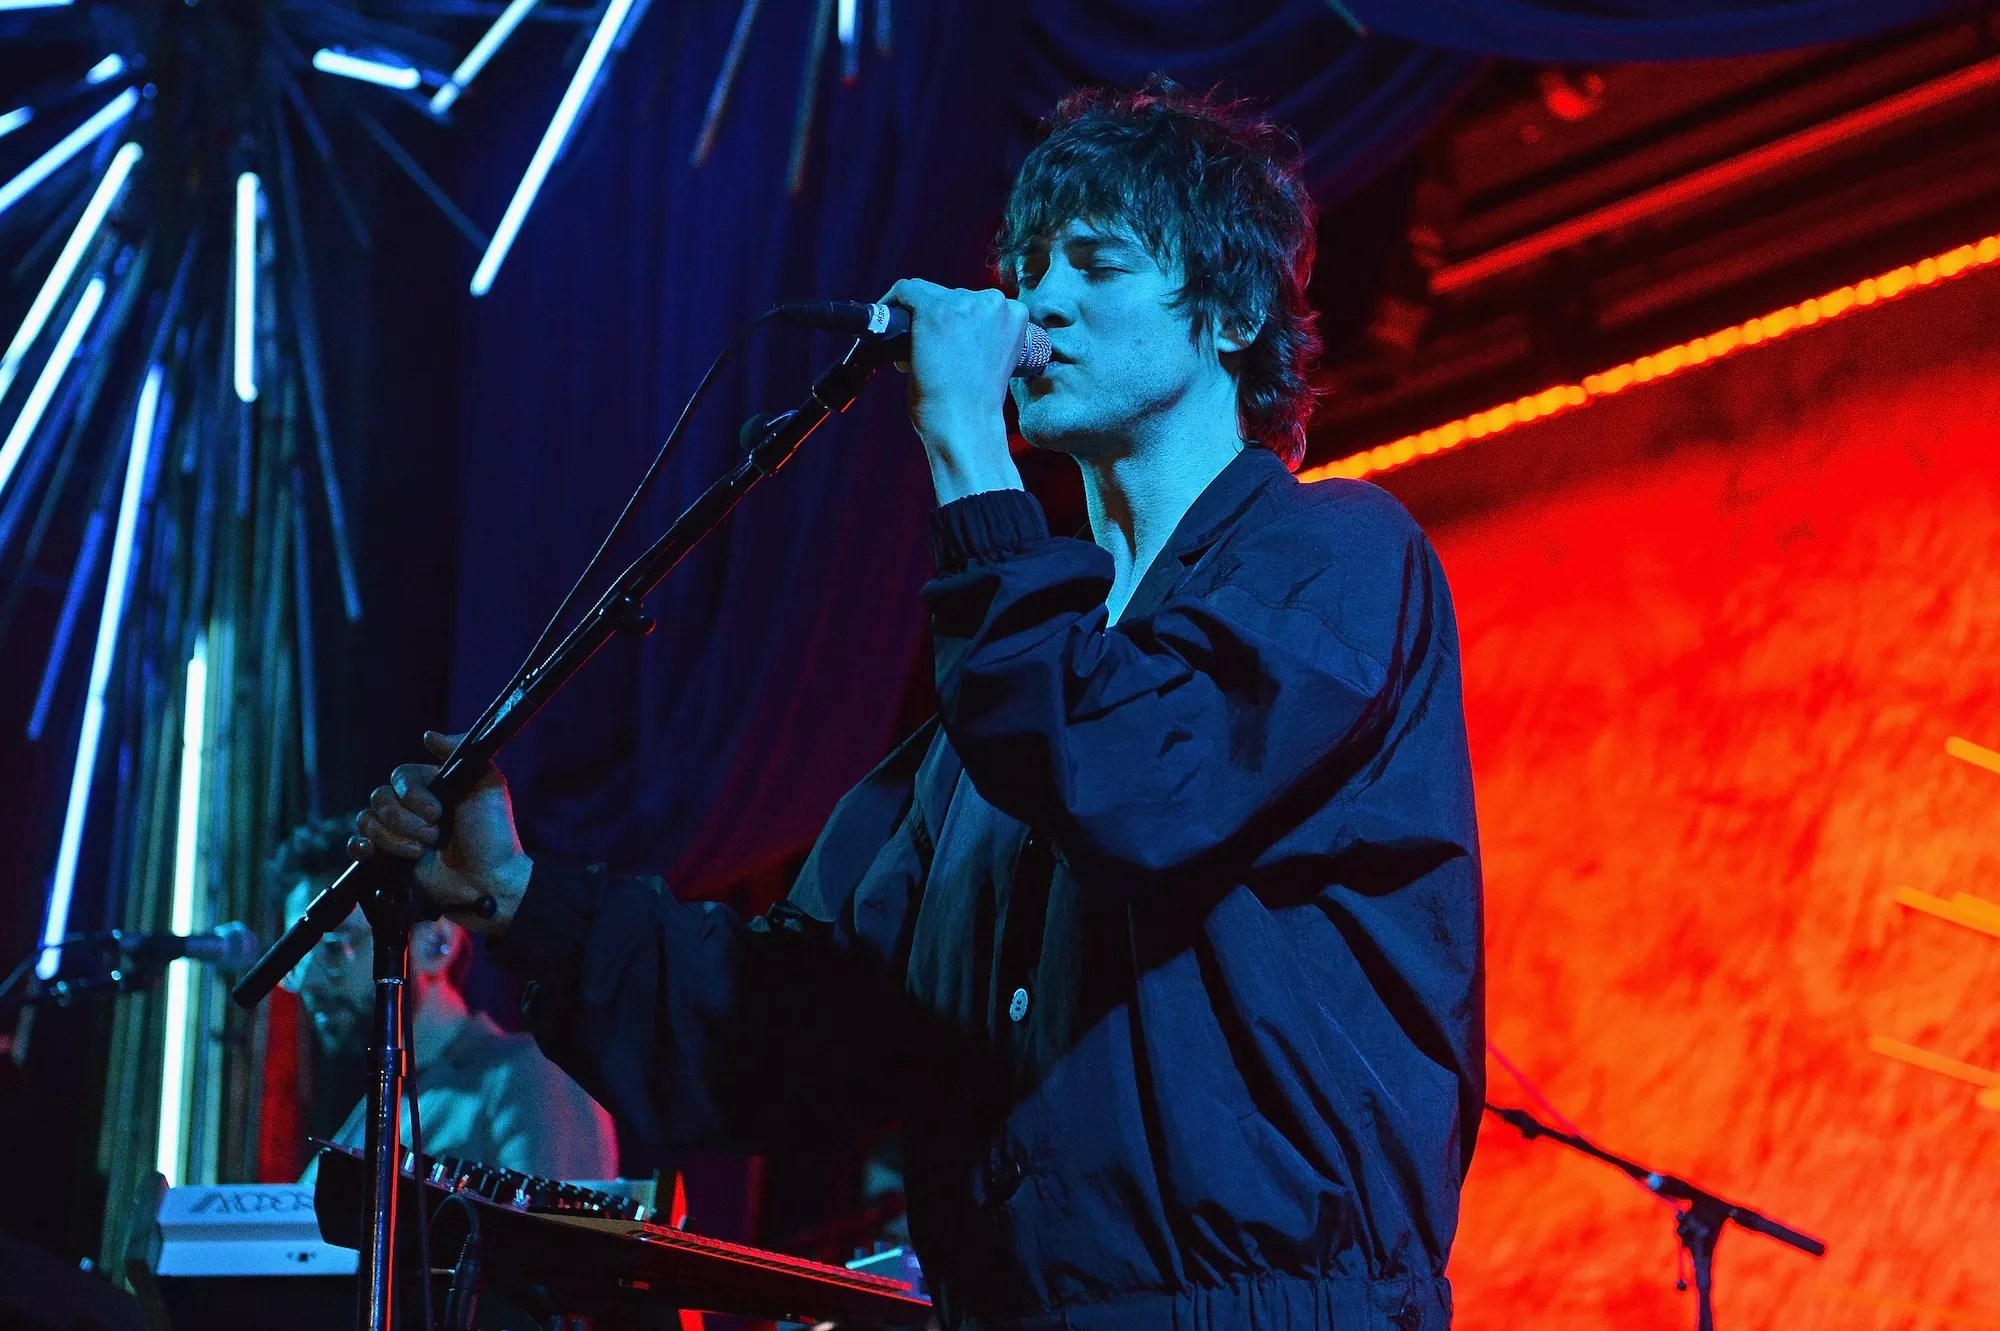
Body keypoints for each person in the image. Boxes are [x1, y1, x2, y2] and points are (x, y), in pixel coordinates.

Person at [356, 81, 1483, 1329]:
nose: (1037, 301)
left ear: (1228, 312)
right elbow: (795, 1025)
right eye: (1027, 266)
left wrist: (964, 444)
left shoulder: (1335, 557)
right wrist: (518, 895)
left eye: (1097, 263)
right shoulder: (991, 719)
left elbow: (1131, 781)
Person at [270, 818, 619, 1181]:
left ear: (436, 942)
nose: (308, 980)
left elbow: (560, 1218)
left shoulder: (529, 1077)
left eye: (333, 947)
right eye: (298, 959)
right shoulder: (376, 1108)